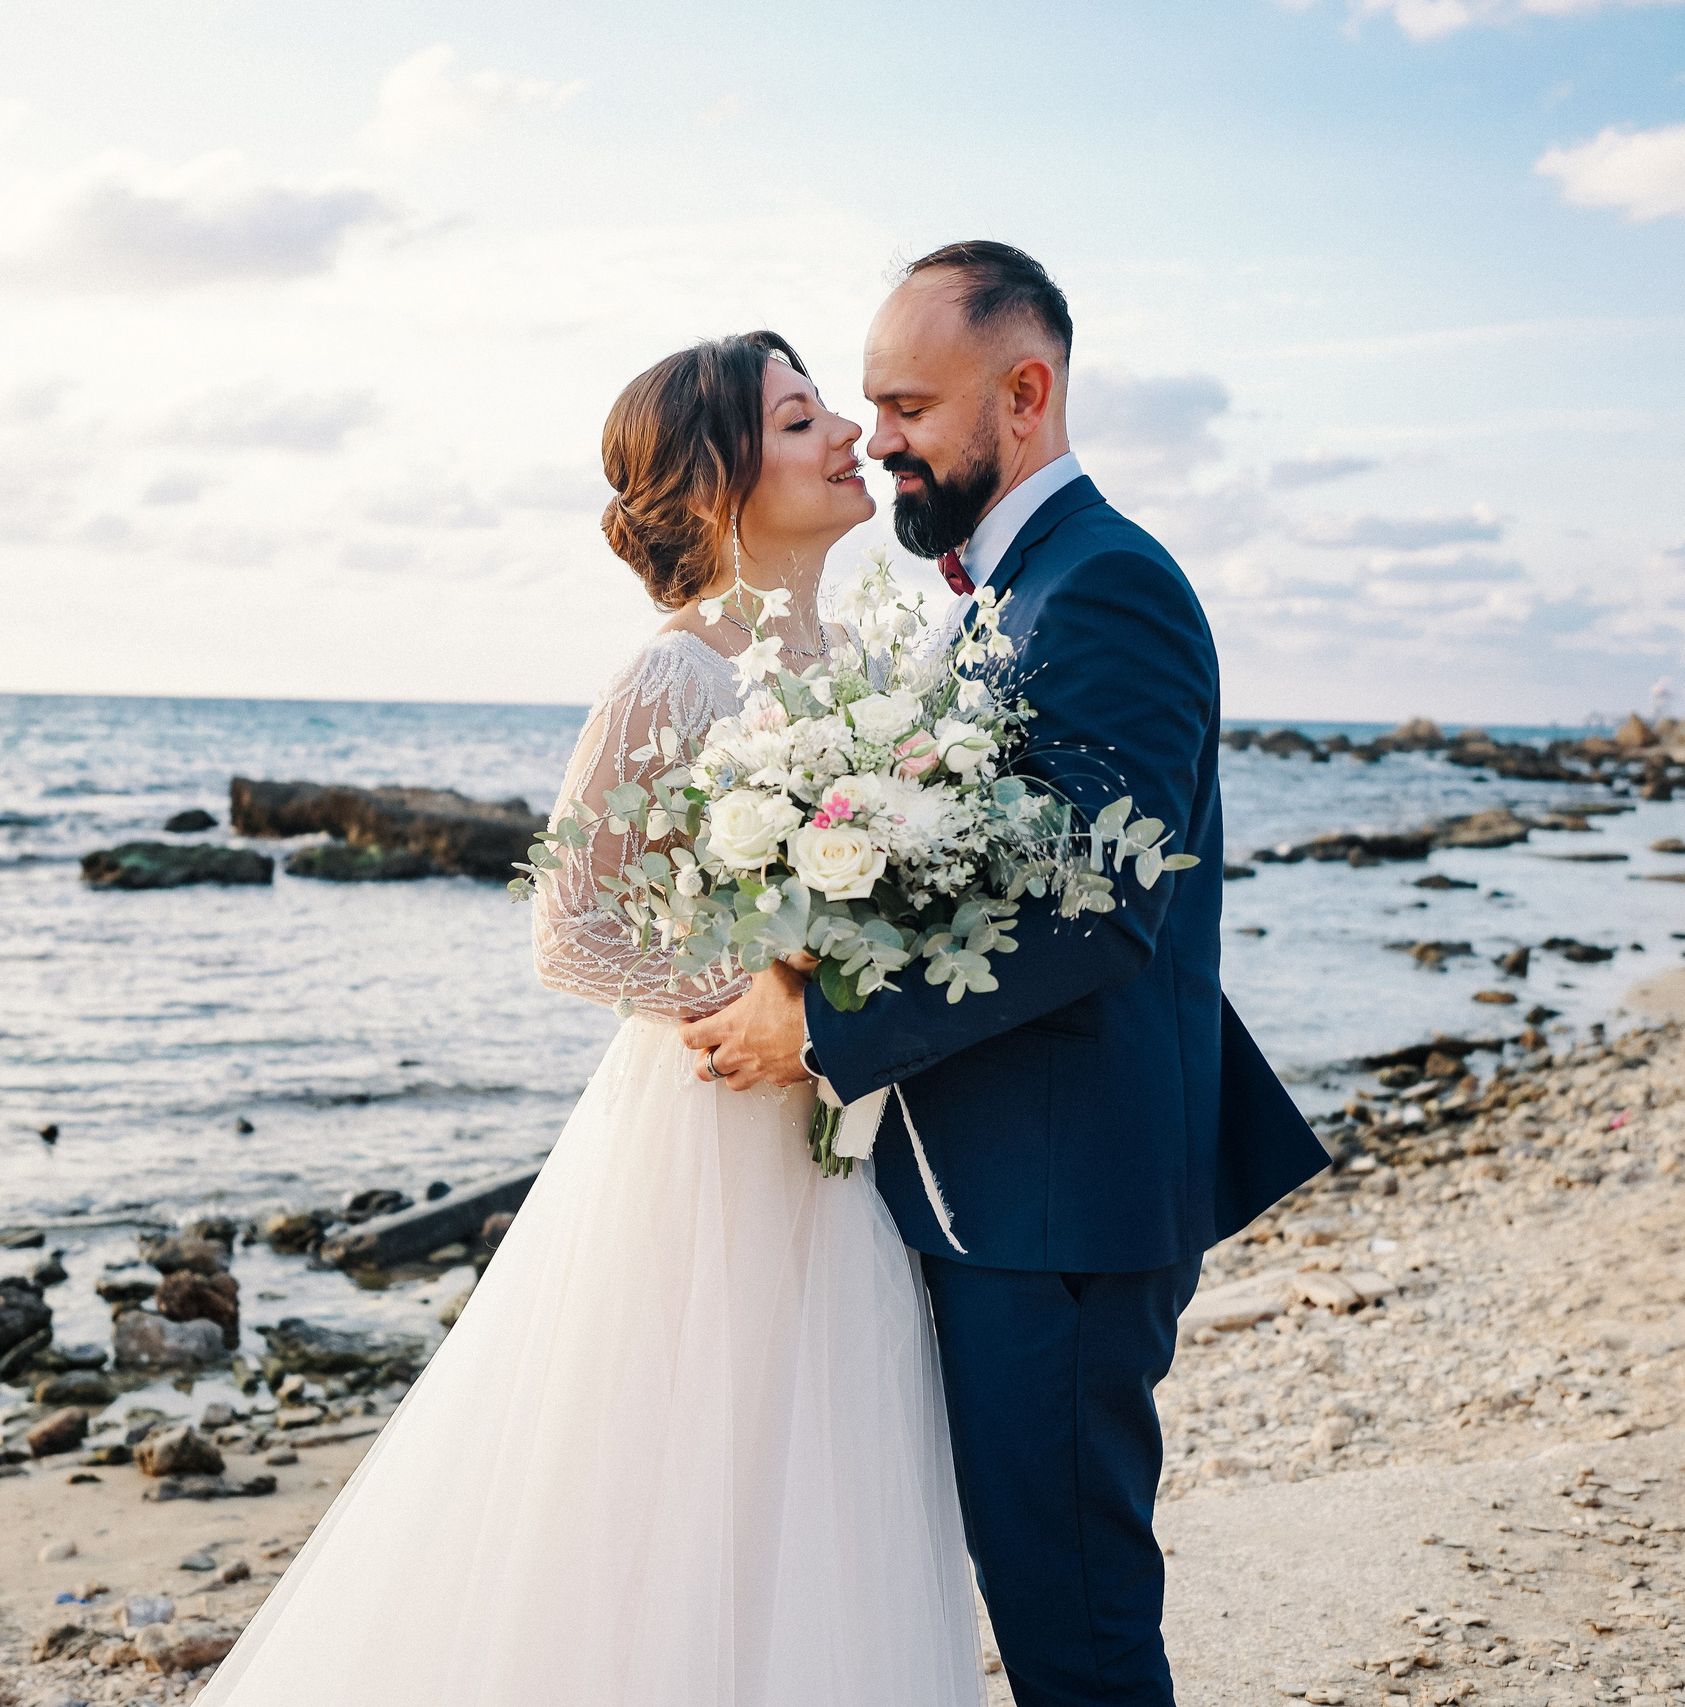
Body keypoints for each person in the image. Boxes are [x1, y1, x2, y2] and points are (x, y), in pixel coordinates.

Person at [191, 331, 985, 1706]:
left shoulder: (876, 669)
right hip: (710, 1123)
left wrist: (843, 992)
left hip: (842, 1119)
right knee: (671, 1483)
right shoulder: (670, 678)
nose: (848, 433)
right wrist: (751, 999)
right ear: (720, 478)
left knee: (827, 1465)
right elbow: (571, 926)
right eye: (802, 422)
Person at [681, 241, 1329, 1707]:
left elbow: (1096, 910)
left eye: (907, 404)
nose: (880, 438)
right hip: (1009, 1194)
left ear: (1023, 393)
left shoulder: (1105, 589)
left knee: (1076, 1626)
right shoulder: (1011, 592)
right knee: (1044, 1601)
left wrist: (820, 1019)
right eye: (864, 405)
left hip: (1064, 1209)